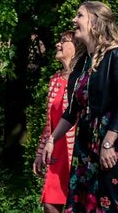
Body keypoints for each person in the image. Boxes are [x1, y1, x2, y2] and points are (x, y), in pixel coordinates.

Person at [43, 2, 118, 213]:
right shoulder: (83, 63)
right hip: (85, 144)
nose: (73, 20)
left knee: (112, 206)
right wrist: (52, 139)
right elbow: (72, 111)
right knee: (83, 206)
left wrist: (108, 143)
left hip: (110, 142)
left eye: (80, 16)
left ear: (95, 22)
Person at [32, 31, 79, 213]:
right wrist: (40, 151)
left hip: (75, 150)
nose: (58, 45)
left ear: (76, 47)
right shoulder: (55, 80)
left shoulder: (84, 77)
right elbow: (49, 123)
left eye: (63, 41)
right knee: (49, 203)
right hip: (55, 150)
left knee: (77, 201)